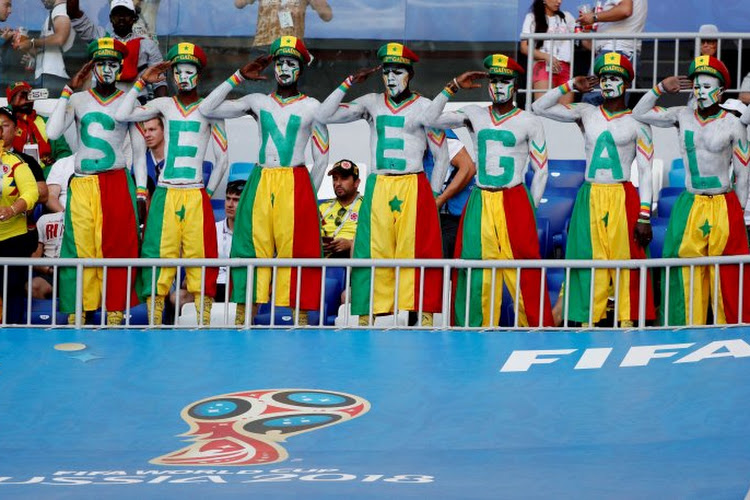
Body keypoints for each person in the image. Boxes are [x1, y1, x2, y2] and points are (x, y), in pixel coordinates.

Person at [317, 42, 450, 327]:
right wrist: (349, 81)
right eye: (387, 71)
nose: (391, 78)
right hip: (379, 184)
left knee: (417, 252)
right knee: (371, 250)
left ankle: (424, 318)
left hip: (413, 183)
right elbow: (323, 115)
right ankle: (368, 317)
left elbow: (442, 156)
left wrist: (434, 194)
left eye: (398, 71)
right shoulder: (370, 102)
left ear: (410, 74)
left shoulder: (426, 107)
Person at [199, 36, 329, 327]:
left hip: (294, 180)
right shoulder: (256, 101)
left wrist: (308, 193)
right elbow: (207, 108)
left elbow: (321, 158)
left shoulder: (312, 106)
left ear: (301, 69)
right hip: (261, 179)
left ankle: (301, 322)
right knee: (249, 248)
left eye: (291, 63)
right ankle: (244, 322)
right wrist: (238, 77)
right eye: (280, 62)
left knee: (297, 252)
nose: (284, 68)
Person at [424, 54, 553, 327]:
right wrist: (453, 85)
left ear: (515, 85)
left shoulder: (529, 121)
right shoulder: (474, 113)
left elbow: (541, 169)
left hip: (514, 197)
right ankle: (473, 332)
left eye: (504, 80)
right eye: (493, 80)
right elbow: (430, 119)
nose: (497, 86)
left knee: (524, 269)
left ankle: (536, 331)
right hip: (481, 198)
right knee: (474, 268)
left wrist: (532, 207)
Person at [533, 52, 656, 327]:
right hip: (590, 194)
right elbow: (539, 107)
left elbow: (646, 170)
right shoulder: (585, 113)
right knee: (586, 259)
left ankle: (628, 323)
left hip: (622, 194)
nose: (608, 83)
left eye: (614, 77)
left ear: (626, 83)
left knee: (627, 263)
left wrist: (645, 215)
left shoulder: (639, 121)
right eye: (604, 78)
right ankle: (587, 322)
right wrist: (569, 86)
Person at [114, 42, 229, 326]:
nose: (183, 77)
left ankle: (202, 322)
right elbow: (122, 114)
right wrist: (142, 80)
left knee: (200, 258)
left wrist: (207, 191)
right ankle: (154, 322)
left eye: (189, 71)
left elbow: (224, 158)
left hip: (194, 191)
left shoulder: (210, 109)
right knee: (158, 255)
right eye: (178, 72)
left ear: (198, 75)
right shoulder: (164, 105)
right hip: (165, 191)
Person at [633, 56, 750, 326]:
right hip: (690, 201)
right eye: (696, 86)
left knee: (728, 273)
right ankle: (683, 331)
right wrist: (661, 88)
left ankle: (732, 333)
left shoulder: (733, 124)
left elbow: (743, 174)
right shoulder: (681, 115)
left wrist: (740, 213)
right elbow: (639, 113)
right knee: (684, 269)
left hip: (724, 201)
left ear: (721, 91)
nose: (700, 91)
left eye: (707, 86)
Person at [46, 38, 148, 326]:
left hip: (116, 180)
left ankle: (115, 311)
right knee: (78, 247)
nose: (106, 69)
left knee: (118, 247)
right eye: (100, 63)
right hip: (83, 182)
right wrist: (68, 89)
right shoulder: (78, 99)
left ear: (120, 67)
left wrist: (141, 193)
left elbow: (139, 155)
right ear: (93, 67)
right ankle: (79, 309)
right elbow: (53, 133)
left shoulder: (131, 101)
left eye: (112, 63)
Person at [67, 0, 167, 99]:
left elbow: (159, 81)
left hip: (136, 102)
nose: (122, 18)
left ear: (134, 18)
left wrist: (160, 108)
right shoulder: (101, 39)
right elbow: (73, 14)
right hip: (102, 101)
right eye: (117, 14)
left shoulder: (148, 45)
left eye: (126, 14)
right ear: (111, 18)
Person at [578, 0, 647, 105]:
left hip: (615, 53)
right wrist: (586, 33)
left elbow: (625, 10)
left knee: (592, 103)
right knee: (613, 105)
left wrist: (594, 17)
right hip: (619, 53)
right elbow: (591, 45)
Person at [0, 106, 48, 256]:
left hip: (13, 237)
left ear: (16, 130)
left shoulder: (22, 161)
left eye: (5, 125)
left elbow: (39, 193)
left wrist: (13, 208)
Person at [0, 139, 39, 323]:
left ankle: (11, 341)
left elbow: (32, 193)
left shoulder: (15, 163)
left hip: (12, 240)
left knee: (11, 292)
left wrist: (12, 209)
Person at [423, 130, 476, 258]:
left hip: (451, 217)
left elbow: (468, 167)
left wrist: (440, 200)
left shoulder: (438, 133)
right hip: (429, 217)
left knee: (440, 264)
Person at [520, 0, 579, 104]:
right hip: (543, 66)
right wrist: (547, 57)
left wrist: (587, 29)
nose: (559, 1)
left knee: (565, 112)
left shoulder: (566, 17)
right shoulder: (532, 17)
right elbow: (524, 47)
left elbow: (582, 39)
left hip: (565, 67)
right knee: (542, 109)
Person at [6, 81, 72, 171]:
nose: (25, 100)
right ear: (11, 101)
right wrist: (11, 108)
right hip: (13, 173)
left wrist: (54, 168)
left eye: (29, 95)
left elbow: (64, 153)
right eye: (21, 96)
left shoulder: (48, 122)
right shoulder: (5, 122)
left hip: (46, 175)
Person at [13, 0, 75, 94]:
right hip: (47, 76)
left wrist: (32, 42)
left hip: (55, 76)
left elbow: (60, 38)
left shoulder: (61, 9)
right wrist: (27, 47)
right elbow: (47, 50)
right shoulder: (55, 12)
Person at [234, 0, 332, 49]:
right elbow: (239, 3)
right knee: (260, 86)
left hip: (291, 48)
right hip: (262, 46)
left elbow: (327, 16)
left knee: (289, 86)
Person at [319, 159, 362, 259]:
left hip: (353, 257)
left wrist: (350, 244)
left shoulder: (367, 206)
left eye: (344, 178)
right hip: (323, 258)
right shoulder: (322, 207)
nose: (338, 183)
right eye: (335, 178)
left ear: (356, 182)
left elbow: (374, 237)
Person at [215, 180, 245, 301]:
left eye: (236, 200)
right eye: (228, 198)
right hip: (214, 286)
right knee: (178, 297)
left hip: (241, 288)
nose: (230, 204)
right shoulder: (213, 229)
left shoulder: (253, 233)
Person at [29, 209, 64, 299]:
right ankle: (48, 312)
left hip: (76, 272)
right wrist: (48, 269)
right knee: (32, 287)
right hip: (50, 271)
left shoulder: (86, 220)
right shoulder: (45, 219)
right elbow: (35, 257)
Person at [140, 116, 164, 183]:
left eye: (152, 129)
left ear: (164, 130)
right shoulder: (140, 162)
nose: (146, 135)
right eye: (144, 131)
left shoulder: (177, 161)